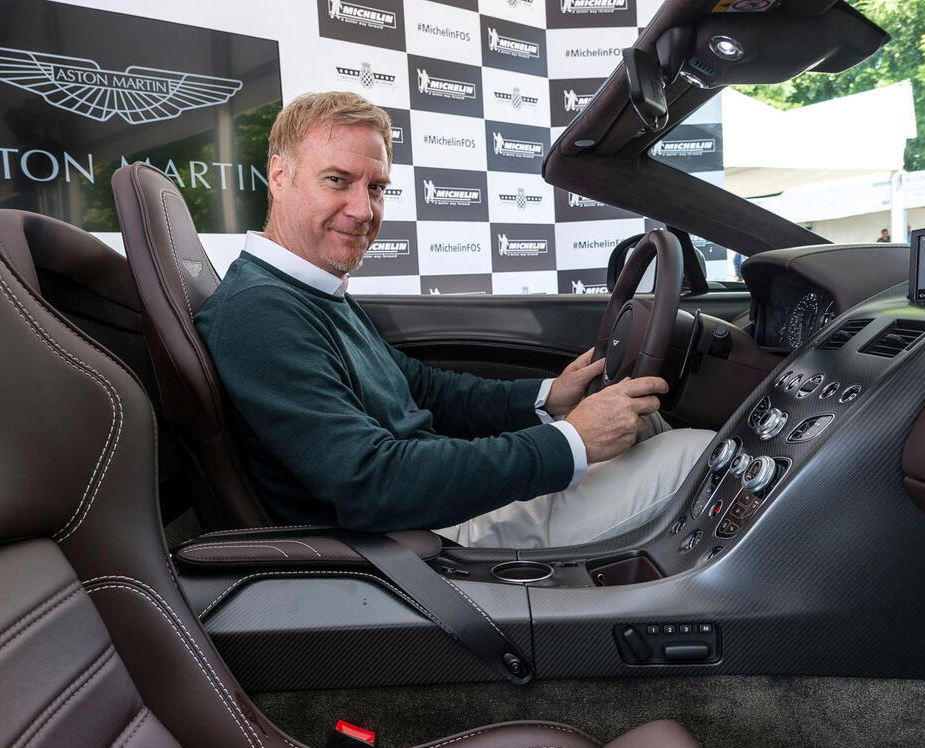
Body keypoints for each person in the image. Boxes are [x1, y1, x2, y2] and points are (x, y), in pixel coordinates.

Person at [195, 91, 714, 548]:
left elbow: (422, 389)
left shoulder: (312, 289)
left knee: (641, 421)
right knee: (700, 454)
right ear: (280, 177)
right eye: (337, 181)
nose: (363, 209)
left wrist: (550, 398)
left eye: (376, 187)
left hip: (441, 503)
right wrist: (571, 440)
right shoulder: (260, 313)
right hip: (428, 540)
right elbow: (371, 485)